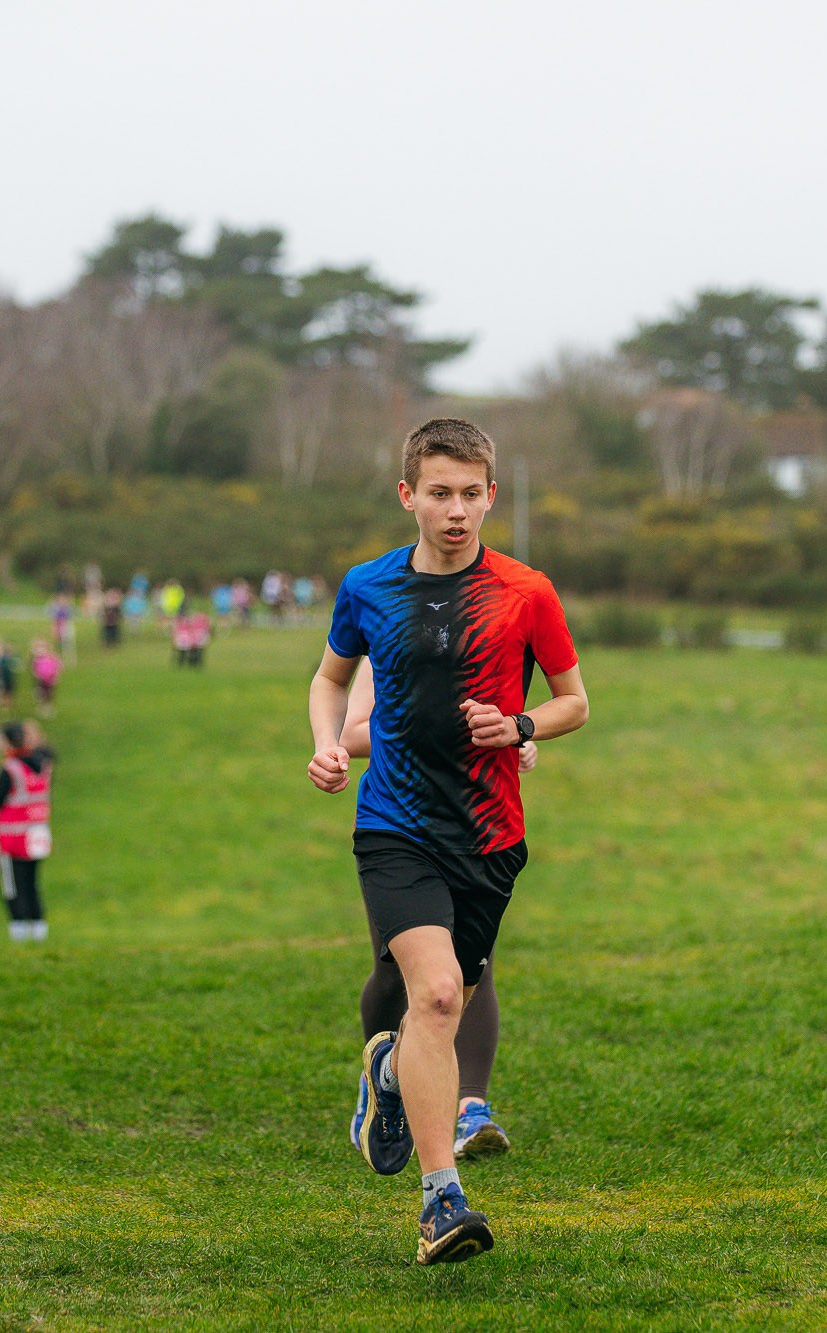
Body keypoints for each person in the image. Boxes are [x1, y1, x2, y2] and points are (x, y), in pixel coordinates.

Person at [306, 418, 588, 1264]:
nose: (456, 510)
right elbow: (329, 678)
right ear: (408, 496)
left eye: (471, 494)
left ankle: (389, 1075)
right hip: (395, 827)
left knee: (447, 999)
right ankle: (441, 1203)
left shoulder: (527, 592)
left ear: (490, 495)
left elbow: (576, 699)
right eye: (439, 493)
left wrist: (521, 724)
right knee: (432, 994)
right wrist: (327, 741)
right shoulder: (368, 586)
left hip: (490, 836)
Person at [341, 659, 540, 1161]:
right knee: (394, 976)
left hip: (476, 828)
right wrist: (429, 731)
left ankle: (471, 1108)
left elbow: (504, 719)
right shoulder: (381, 650)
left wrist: (513, 735)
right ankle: (383, 1081)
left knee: (474, 971)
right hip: (402, 833)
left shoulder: (479, 648)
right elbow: (352, 733)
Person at [0, 721, 53, 942]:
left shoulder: (10, 768)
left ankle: (20, 931)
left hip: (13, 837)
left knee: (13, 885)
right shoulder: (40, 764)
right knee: (32, 883)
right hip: (37, 833)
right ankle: (39, 928)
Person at [30, 639, 62, 717]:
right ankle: (42, 707)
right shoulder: (37, 659)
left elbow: (58, 667)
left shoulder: (52, 657)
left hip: (50, 679)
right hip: (41, 680)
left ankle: (48, 708)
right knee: (42, 694)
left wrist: (56, 677)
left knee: (50, 694)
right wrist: (36, 675)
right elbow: (34, 669)